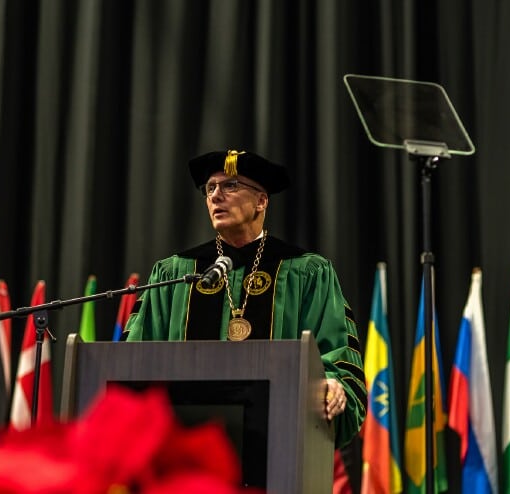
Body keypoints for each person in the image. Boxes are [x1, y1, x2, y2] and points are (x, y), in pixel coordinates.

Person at [124, 149, 366, 450]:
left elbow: (336, 355)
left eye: (230, 186)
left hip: (278, 446)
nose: (215, 196)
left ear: (261, 201)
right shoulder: (175, 273)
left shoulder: (307, 272)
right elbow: (134, 362)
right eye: (210, 188)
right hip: (186, 452)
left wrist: (331, 384)